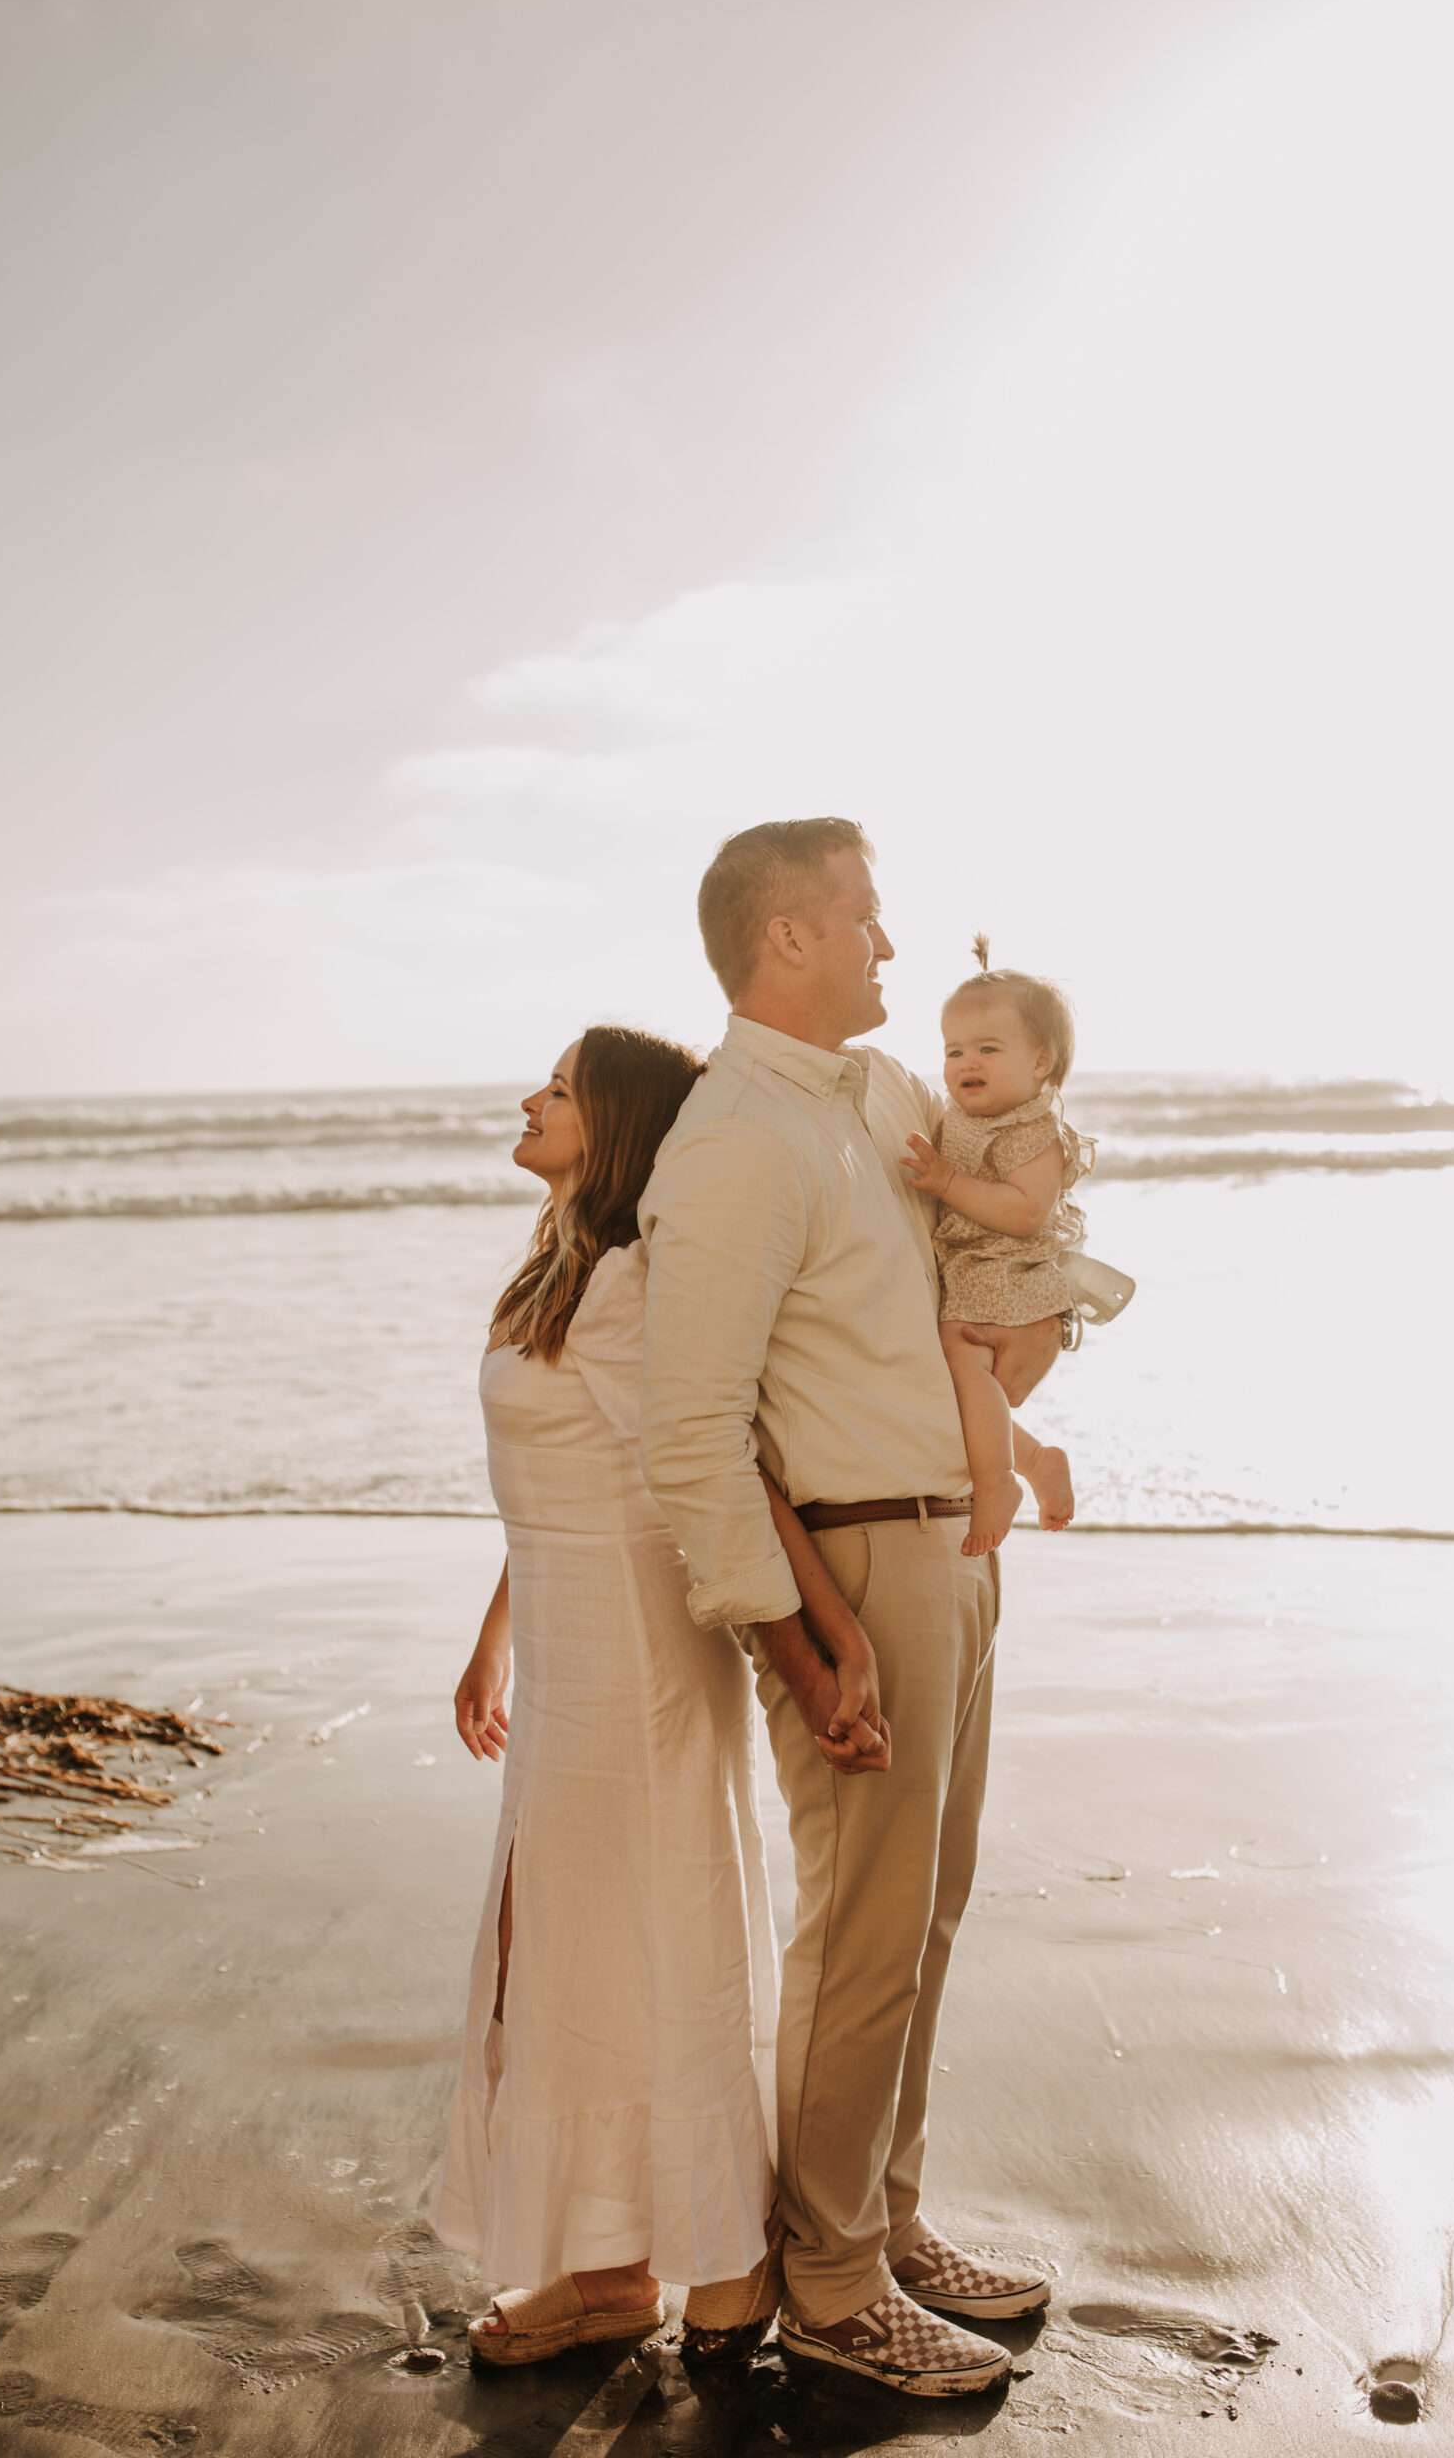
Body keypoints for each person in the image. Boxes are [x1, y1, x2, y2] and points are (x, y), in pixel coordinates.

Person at [638, 820, 1054, 2400]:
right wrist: (796, 1641)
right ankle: (823, 2284)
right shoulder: (733, 1137)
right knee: (860, 1932)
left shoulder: (877, 1098)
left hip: (950, 1544)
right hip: (856, 1568)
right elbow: (692, 1428)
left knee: (925, 1914)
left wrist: (1017, 1434)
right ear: (787, 939)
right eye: (866, 921)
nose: (890, 949)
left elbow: (936, 1300)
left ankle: (880, 2218)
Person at [432, 1024, 885, 2370]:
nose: (528, 1097)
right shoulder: (560, 1272)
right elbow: (555, 1480)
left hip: (634, 1664)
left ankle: (665, 2270)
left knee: (615, 1945)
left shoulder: (632, 1282)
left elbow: (716, 1472)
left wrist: (817, 1650)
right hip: (566, 1638)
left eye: (559, 1090)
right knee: (569, 1943)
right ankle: (612, 2268)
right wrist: (491, 1637)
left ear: (613, 1127)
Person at [898, 940, 1091, 1553]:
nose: (964, 1063)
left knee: (959, 1365)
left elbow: (1029, 1211)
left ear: (1040, 1062)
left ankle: (996, 1480)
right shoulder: (964, 1117)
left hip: (1010, 1272)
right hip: (983, 1273)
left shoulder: (1035, 1129)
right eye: (954, 1050)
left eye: (986, 1048)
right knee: (961, 1389)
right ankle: (1033, 1462)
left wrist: (948, 1182)